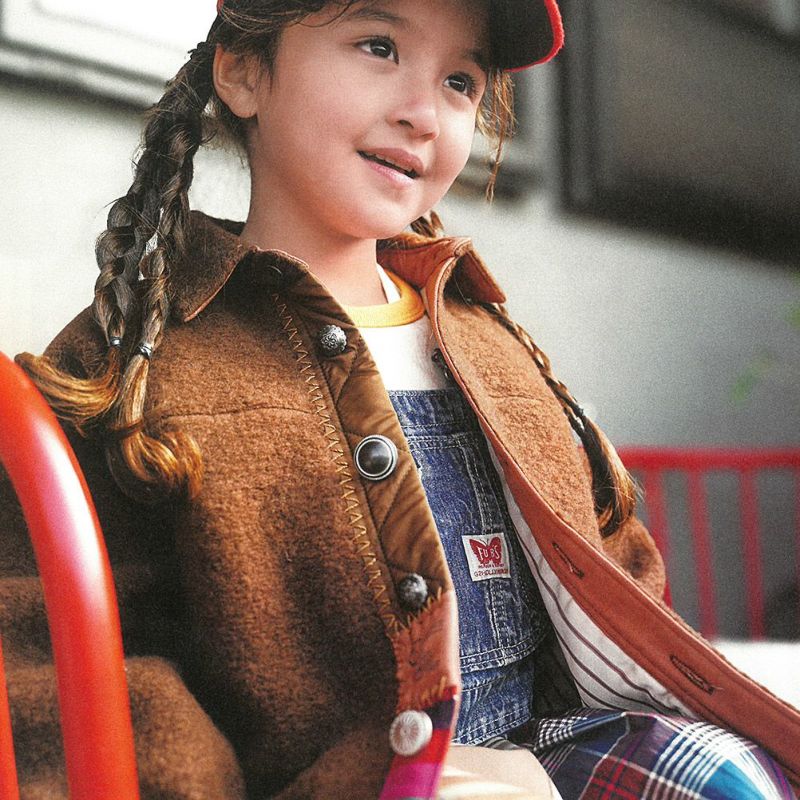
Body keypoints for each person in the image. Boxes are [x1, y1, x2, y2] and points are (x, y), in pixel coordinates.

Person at [2, 0, 799, 798]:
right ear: (243, 71)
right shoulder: (130, 360)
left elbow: (616, 570)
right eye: (379, 46)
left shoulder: (486, 337)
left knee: (730, 777)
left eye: (461, 81)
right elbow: (75, 662)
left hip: (555, 754)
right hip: (355, 786)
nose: (424, 113)